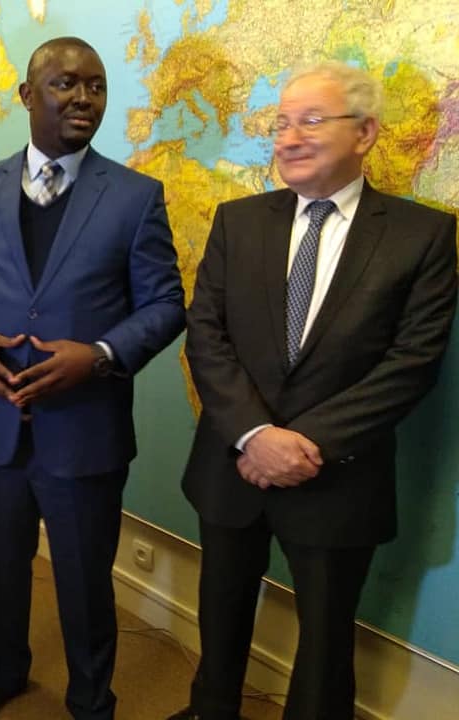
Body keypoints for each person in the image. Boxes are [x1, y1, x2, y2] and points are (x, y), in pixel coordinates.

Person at [170, 61, 458, 720]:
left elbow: (412, 363)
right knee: (220, 618)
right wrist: (254, 436)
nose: (289, 138)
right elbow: (206, 334)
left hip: (338, 475)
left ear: (365, 133)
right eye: (280, 124)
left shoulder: (421, 236)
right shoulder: (238, 221)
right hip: (231, 463)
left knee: (327, 647)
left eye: (310, 120)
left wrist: (301, 445)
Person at [0, 36, 185, 720]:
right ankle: (4, 671)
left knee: (86, 583)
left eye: (96, 86)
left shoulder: (135, 197)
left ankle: (92, 701)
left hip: (85, 431)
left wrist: (98, 354)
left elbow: (165, 305)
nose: (83, 98)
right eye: (65, 84)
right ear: (26, 95)